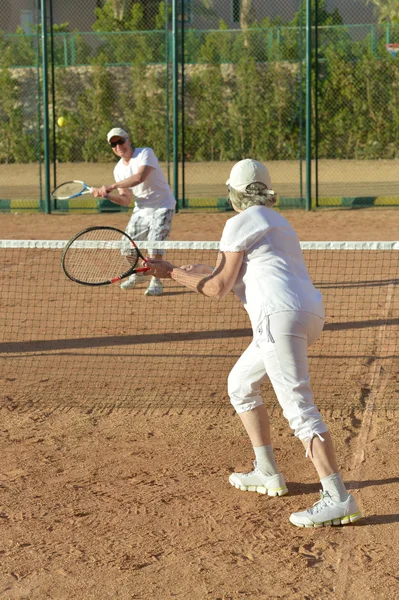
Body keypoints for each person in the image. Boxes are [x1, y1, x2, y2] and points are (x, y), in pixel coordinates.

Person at [145, 158, 362, 528]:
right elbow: (217, 272)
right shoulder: (277, 222)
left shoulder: (237, 222)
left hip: (278, 318)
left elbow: (216, 288)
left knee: (299, 409)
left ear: (234, 194)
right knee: (240, 385)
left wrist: (175, 274)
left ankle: (338, 498)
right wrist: (169, 269)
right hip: (305, 313)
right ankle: (267, 472)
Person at [92, 127, 176, 296]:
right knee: (126, 248)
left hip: (163, 205)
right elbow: (126, 200)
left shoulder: (145, 153)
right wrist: (108, 196)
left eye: (120, 141)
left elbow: (139, 177)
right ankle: (140, 273)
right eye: (113, 144)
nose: (118, 146)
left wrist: (112, 186)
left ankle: (156, 280)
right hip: (141, 209)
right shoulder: (118, 169)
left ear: (128, 140)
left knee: (154, 244)